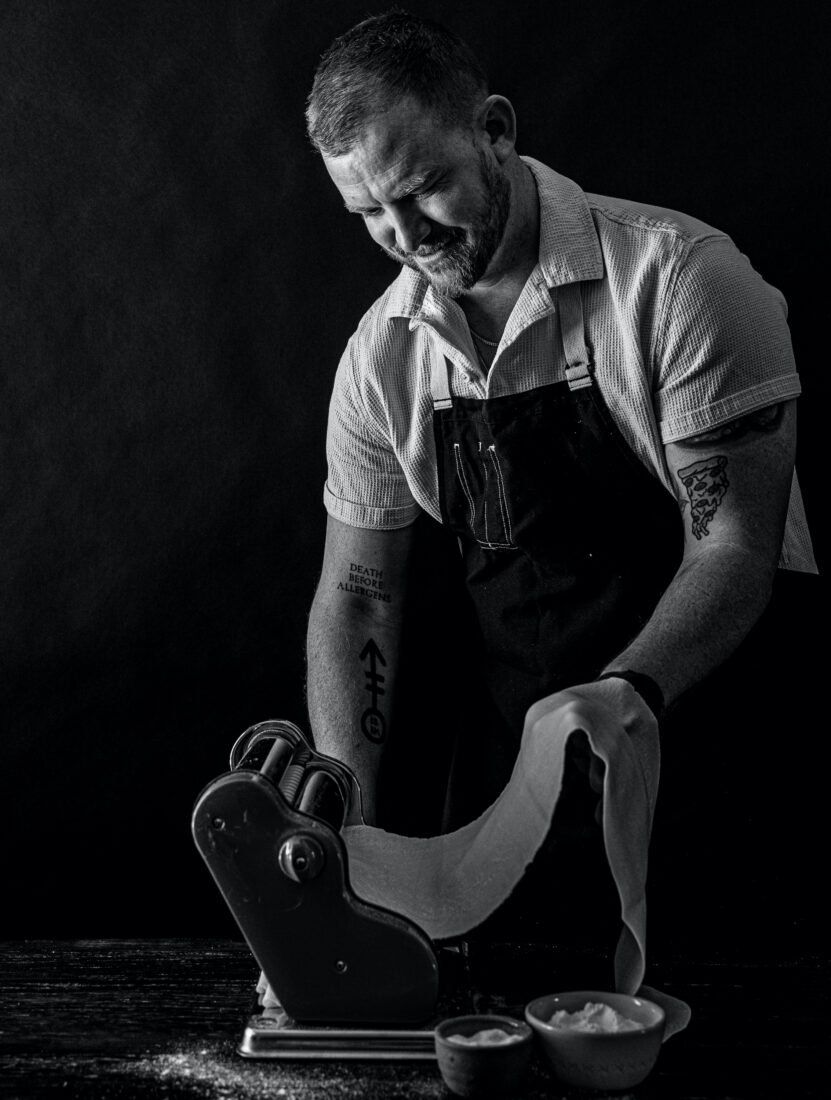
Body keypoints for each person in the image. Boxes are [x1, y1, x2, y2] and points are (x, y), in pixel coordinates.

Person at [301, 8, 817, 918]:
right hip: (513, 791)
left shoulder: (681, 280)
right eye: (367, 214)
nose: (405, 237)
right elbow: (358, 597)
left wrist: (623, 696)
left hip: (716, 758)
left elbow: (732, 546)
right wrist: (353, 816)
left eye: (422, 189)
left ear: (494, 129)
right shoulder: (380, 360)